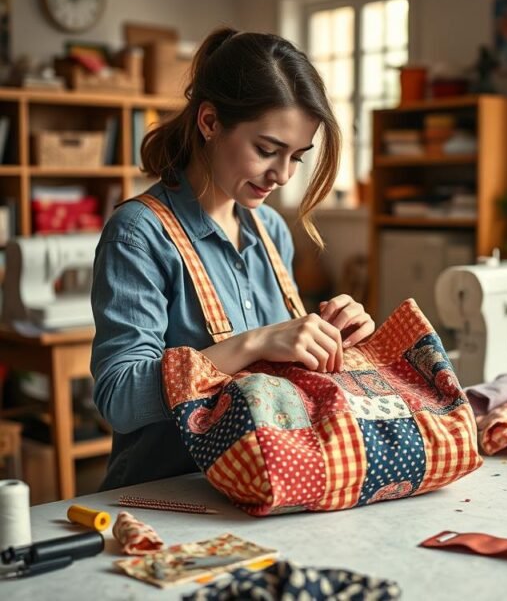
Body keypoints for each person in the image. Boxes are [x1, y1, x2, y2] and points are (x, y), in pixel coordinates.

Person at [91, 28, 375, 490]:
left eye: (297, 158)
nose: (282, 175)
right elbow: (118, 398)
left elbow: (281, 384)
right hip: (165, 497)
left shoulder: (271, 231)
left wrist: (332, 337)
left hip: (264, 489)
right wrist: (254, 343)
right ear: (209, 122)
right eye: (266, 150)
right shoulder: (139, 235)